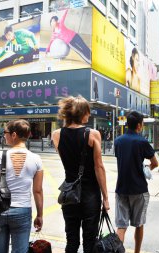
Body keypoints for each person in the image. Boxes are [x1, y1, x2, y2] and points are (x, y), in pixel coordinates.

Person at [51, 95, 109, 252]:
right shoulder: (93, 134)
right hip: (90, 194)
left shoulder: (56, 135)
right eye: (88, 112)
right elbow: (99, 167)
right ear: (82, 113)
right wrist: (106, 197)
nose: (89, 115)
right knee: (90, 241)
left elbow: (66, 158)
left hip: (69, 194)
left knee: (72, 240)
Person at [0, 120, 43, 253]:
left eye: (5, 133)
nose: (4, 136)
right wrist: (40, 215)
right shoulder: (36, 159)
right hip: (22, 212)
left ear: (14, 135)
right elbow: (37, 191)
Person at [114, 111, 158, 253]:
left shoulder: (118, 141)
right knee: (139, 224)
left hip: (121, 188)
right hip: (139, 189)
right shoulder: (142, 141)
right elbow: (155, 163)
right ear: (139, 125)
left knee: (121, 226)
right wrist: (147, 168)